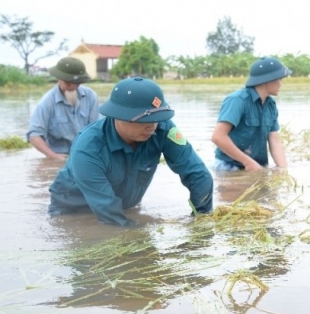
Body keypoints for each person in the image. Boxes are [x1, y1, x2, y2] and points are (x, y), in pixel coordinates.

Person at [48, 77, 213, 226]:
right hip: (75, 211)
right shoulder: (88, 148)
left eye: (156, 119)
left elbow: (198, 175)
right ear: (118, 116)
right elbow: (109, 214)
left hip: (123, 206)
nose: (152, 126)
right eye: (144, 120)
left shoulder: (163, 128)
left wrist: (201, 219)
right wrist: (147, 228)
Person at [211, 56, 291, 171]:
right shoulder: (237, 100)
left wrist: (283, 170)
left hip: (256, 167)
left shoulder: (271, 104)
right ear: (268, 80)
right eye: (279, 79)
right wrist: (248, 162)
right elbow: (218, 137)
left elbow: (275, 141)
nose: (281, 84)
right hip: (229, 167)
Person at [26, 57, 99, 160]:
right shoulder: (46, 103)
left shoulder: (90, 96)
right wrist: (53, 156)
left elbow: (97, 130)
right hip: (61, 155)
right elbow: (34, 136)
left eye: (77, 83)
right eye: (68, 83)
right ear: (58, 79)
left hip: (86, 154)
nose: (73, 86)